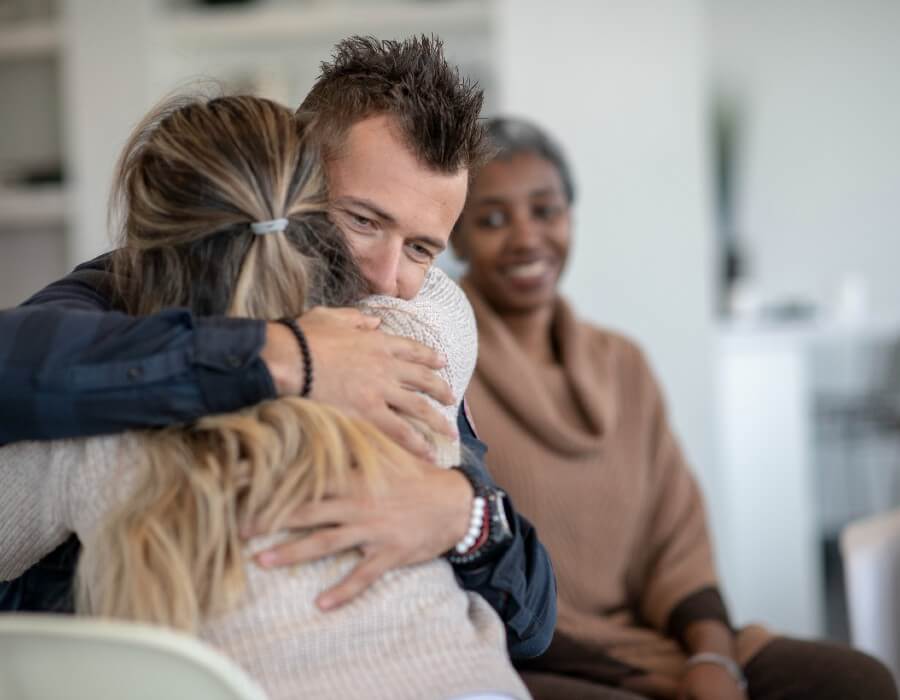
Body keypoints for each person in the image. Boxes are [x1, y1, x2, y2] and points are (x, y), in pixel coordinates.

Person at [0, 36, 555, 660]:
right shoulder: (140, 282)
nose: (383, 272)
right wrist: (283, 355)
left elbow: (532, 623)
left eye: (421, 249)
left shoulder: (406, 328)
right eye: (363, 221)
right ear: (298, 173)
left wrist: (467, 522)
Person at [451, 116, 898, 700]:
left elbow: (678, 544)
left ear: (570, 217)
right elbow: (468, 573)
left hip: (654, 639)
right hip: (533, 655)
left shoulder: (623, 364)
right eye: (491, 219)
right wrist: (652, 678)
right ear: (455, 239)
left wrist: (712, 656)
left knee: (856, 681)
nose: (527, 238)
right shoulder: (446, 363)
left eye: (546, 210)